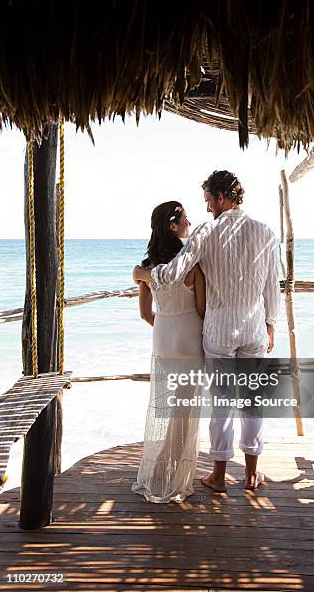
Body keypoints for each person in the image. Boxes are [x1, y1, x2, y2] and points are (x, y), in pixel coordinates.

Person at [134, 170, 280, 492]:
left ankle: (218, 476)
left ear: (221, 197)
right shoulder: (266, 232)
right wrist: (271, 325)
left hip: (218, 332)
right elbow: (273, 286)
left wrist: (143, 273)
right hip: (254, 329)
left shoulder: (206, 232)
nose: (207, 208)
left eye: (208, 201)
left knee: (222, 404)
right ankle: (252, 474)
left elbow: (172, 274)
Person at [131, 201, 206, 503]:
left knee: (168, 409)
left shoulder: (147, 269)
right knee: (184, 413)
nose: (190, 223)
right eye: (186, 219)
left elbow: (145, 314)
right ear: (173, 226)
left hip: (162, 340)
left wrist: (165, 326)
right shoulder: (193, 265)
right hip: (188, 340)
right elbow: (202, 310)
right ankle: (167, 473)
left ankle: (160, 468)